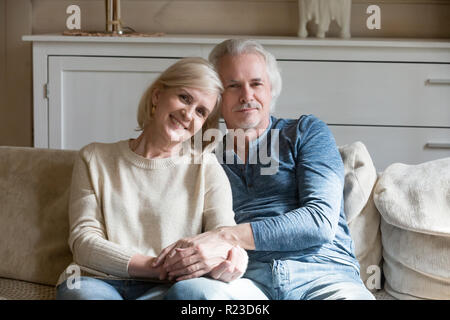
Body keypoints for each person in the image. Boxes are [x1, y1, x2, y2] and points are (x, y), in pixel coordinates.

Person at [156, 39, 375, 300]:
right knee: (190, 294)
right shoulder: (205, 156)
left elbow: (319, 221)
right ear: (217, 98)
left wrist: (225, 236)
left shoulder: (306, 132)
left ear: (271, 90)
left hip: (324, 275)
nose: (247, 95)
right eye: (233, 86)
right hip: (247, 281)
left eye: (256, 83)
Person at [55, 57, 251, 300]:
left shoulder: (206, 167)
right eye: (185, 98)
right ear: (157, 95)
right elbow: (84, 243)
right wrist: (158, 267)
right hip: (99, 281)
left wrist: (234, 256)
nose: (188, 114)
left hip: (171, 288)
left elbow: (224, 236)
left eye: (201, 112)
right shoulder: (94, 157)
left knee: (193, 293)